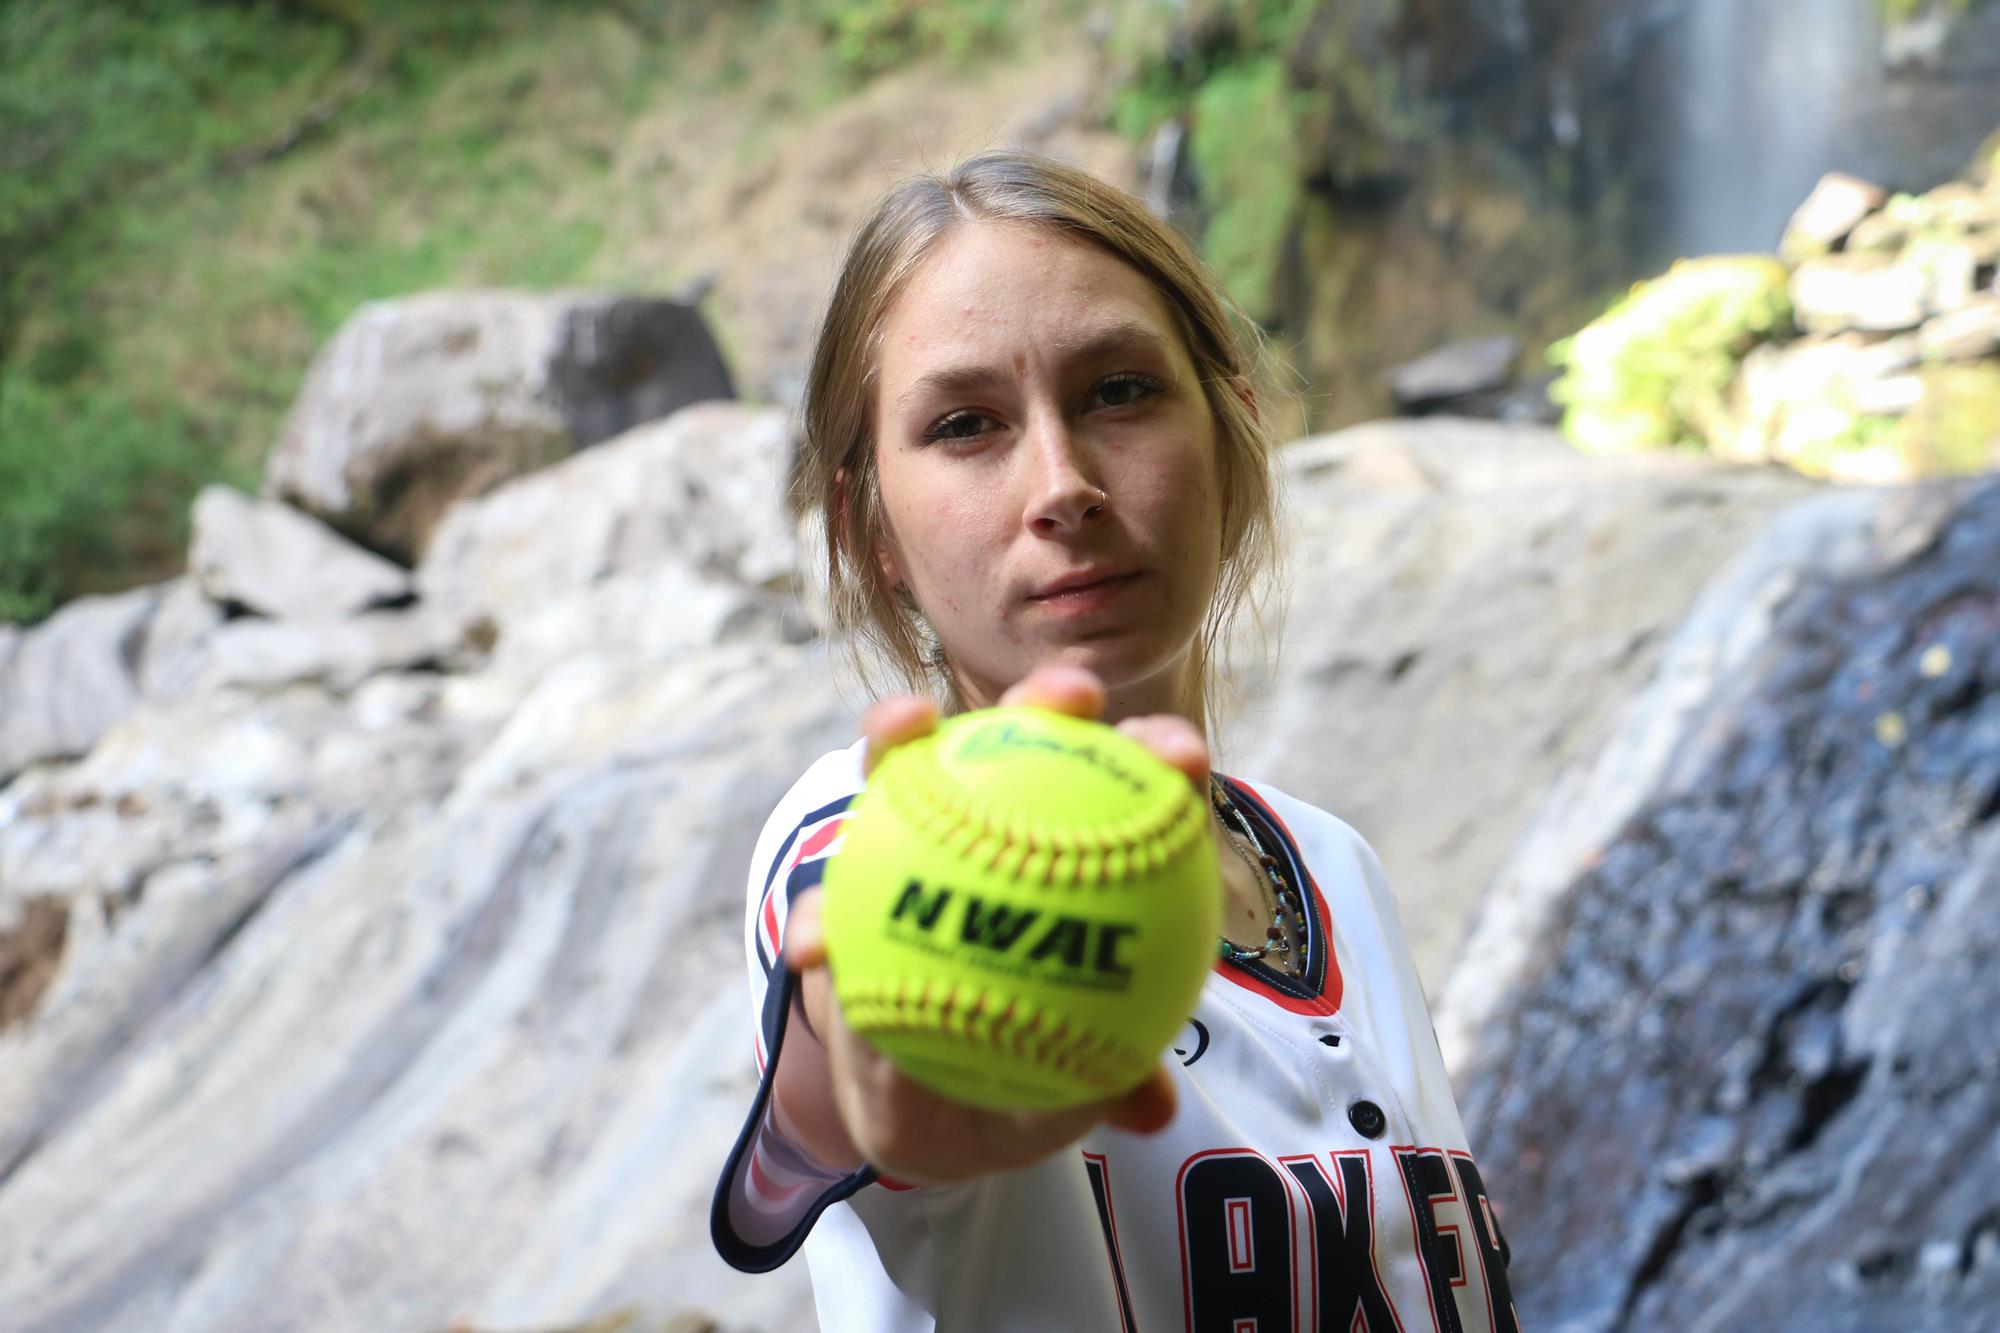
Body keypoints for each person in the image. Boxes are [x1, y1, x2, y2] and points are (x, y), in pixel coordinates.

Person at [711, 151, 1519, 1331]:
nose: (1062, 484)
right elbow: (830, 1067)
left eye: (1119, 391)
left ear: (1231, 430)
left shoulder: (1335, 865)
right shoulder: (866, 829)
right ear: (867, 524)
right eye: (964, 424)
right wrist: (871, 1078)